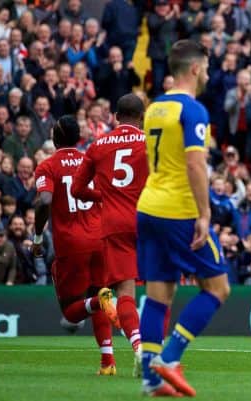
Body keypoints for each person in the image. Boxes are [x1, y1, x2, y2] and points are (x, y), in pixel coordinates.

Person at [137, 40, 230, 397]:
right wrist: (204, 213)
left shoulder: (154, 107)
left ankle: (151, 378)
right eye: (205, 67)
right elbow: (194, 163)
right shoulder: (193, 110)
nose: (207, 73)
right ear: (194, 68)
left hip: (149, 207)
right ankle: (169, 357)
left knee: (159, 293)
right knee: (218, 288)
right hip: (179, 211)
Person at [32, 116, 119, 375]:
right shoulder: (92, 160)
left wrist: (37, 238)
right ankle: (108, 362)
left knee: (71, 313)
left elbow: (44, 200)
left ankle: (97, 303)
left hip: (72, 244)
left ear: (56, 137)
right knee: (98, 293)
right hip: (100, 238)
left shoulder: (48, 166)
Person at [71, 94, 148, 377]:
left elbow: (77, 190)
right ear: (142, 117)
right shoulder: (150, 143)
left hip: (114, 224)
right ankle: (161, 348)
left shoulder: (97, 145)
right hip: (149, 220)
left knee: (125, 292)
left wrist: (101, 195)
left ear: (116, 116)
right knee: (161, 289)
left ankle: (139, 349)